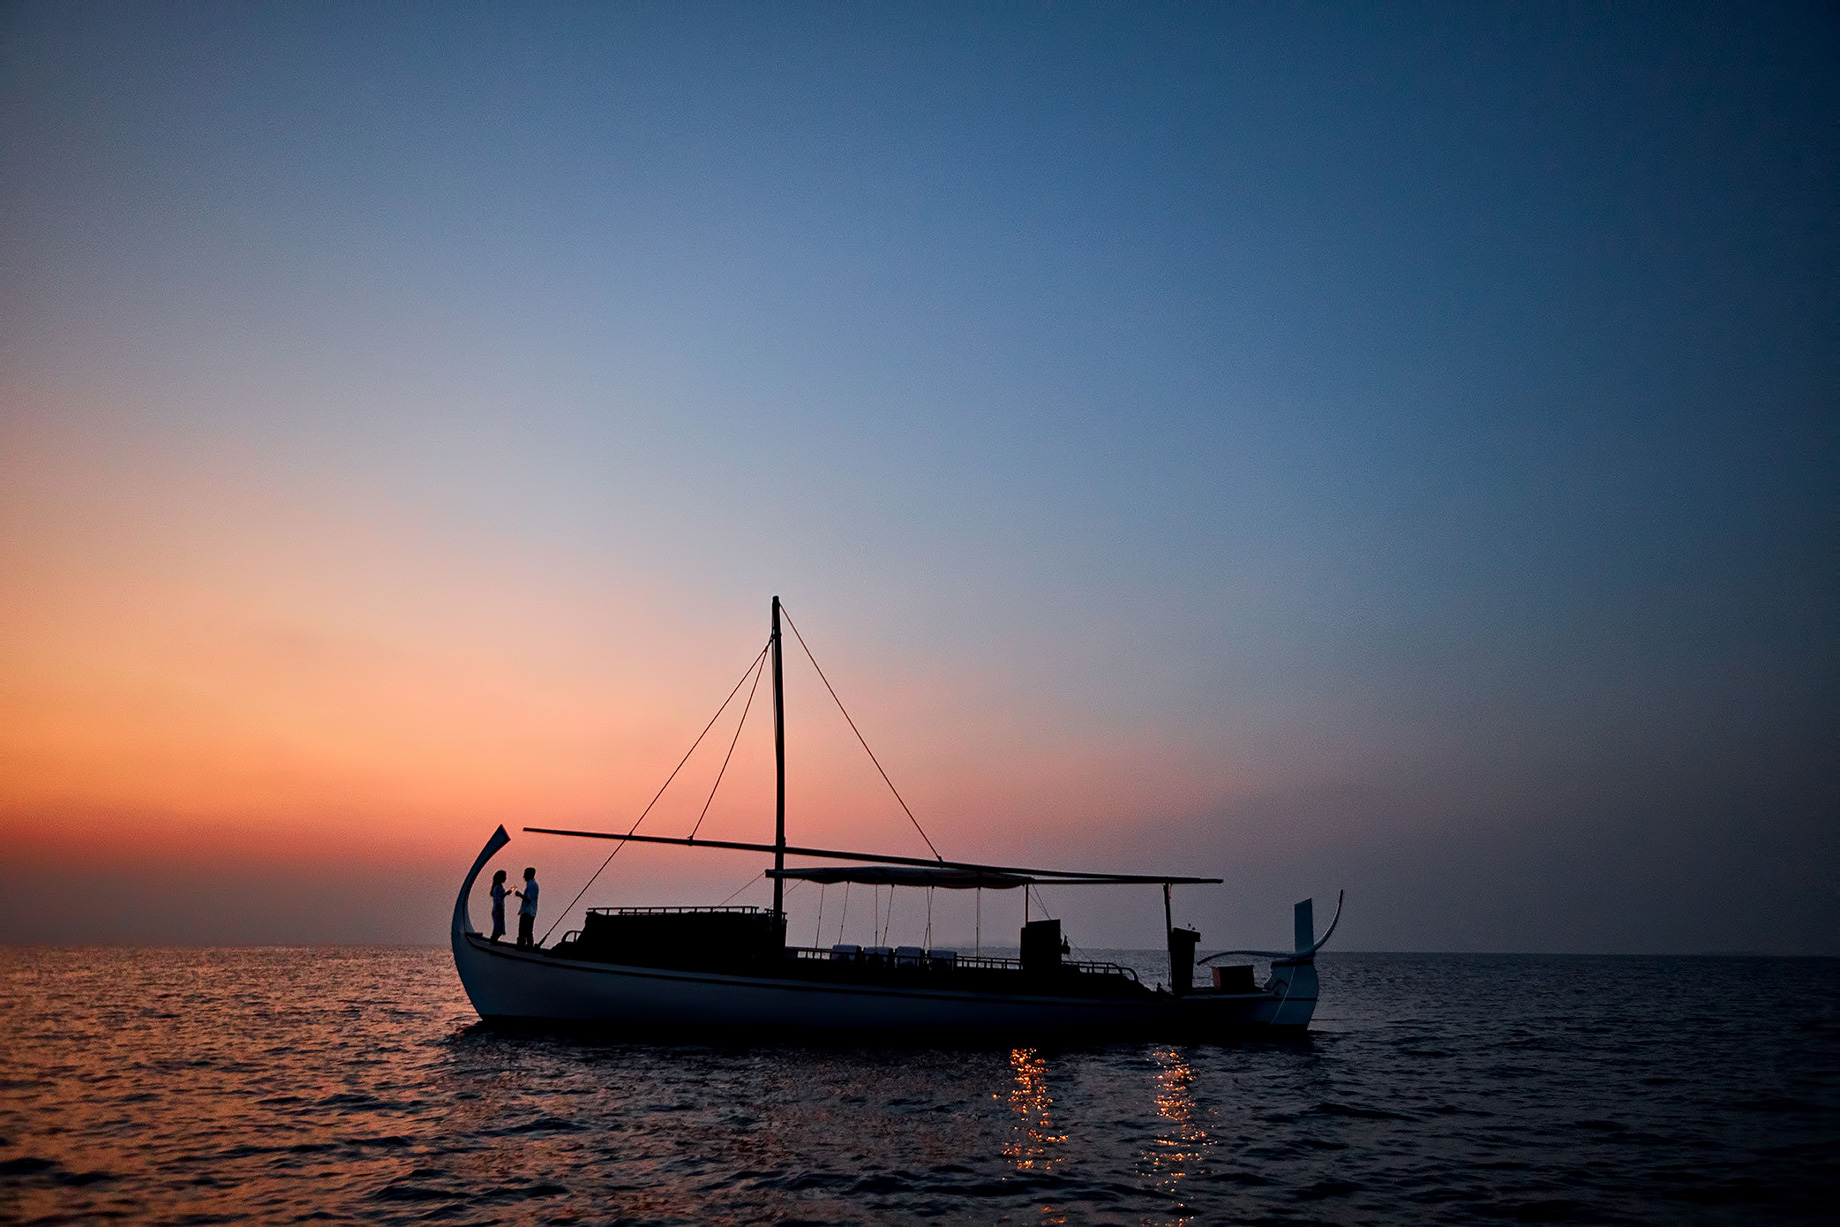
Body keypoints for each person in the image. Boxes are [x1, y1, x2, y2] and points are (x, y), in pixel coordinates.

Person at [514, 867, 540, 949]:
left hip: (528, 912)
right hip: (528, 911)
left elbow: (528, 899)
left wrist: (520, 895)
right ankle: (526, 947)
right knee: (527, 931)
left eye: (525, 874)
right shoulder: (531, 884)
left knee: (525, 931)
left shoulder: (532, 885)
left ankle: (524, 947)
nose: (523, 876)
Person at [488, 869, 509, 943]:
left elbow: (500, 897)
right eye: (504, 876)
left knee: (498, 928)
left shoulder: (499, 886)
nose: (505, 878)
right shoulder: (497, 887)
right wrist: (500, 911)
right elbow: (497, 900)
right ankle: (493, 941)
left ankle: (493, 941)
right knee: (498, 929)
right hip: (498, 910)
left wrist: (506, 894)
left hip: (499, 910)